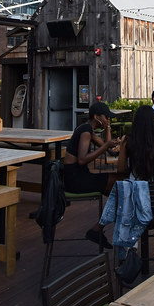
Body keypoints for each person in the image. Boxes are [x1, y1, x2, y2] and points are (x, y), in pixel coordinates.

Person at [116, 105, 154, 257]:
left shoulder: (128, 140)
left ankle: (133, 239)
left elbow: (121, 168)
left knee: (132, 198)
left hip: (135, 194)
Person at [62, 100, 121, 248]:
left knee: (121, 188)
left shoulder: (87, 129)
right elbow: (82, 160)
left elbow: (106, 147)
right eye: (106, 117)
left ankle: (98, 228)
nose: (108, 119)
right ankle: (98, 229)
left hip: (77, 177)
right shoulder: (86, 132)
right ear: (96, 116)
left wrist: (107, 129)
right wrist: (107, 146)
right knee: (122, 186)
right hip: (76, 180)